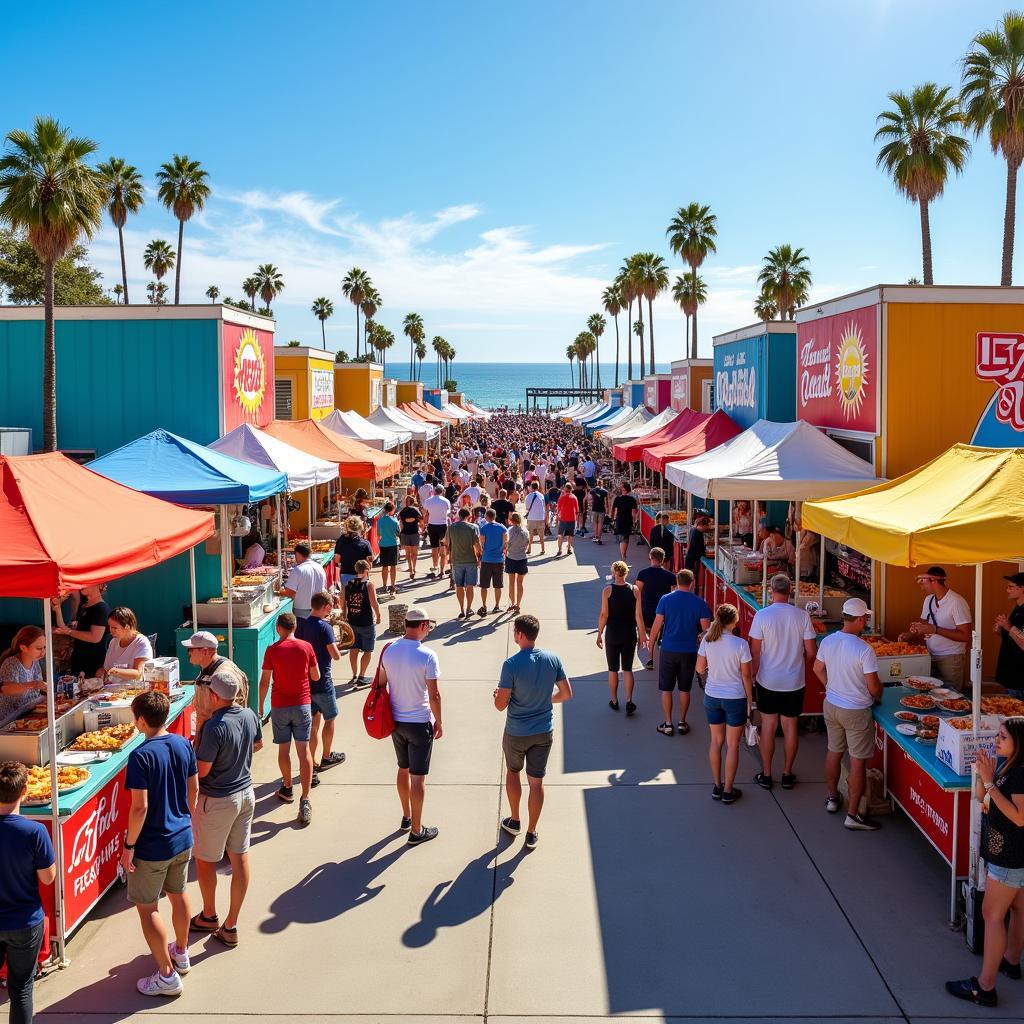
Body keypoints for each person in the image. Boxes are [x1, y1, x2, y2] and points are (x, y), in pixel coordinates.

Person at [121, 690, 198, 997]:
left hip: (152, 845)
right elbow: (193, 788)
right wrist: (184, 818)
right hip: (182, 836)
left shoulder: (140, 756)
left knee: (147, 908)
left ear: (141, 720)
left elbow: (139, 808)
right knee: (179, 894)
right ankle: (181, 951)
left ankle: (166, 975)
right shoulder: (182, 743)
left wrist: (129, 846)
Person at [946, 717, 1024, 1007]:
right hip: (1009, 856)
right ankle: (1011, 961)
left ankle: (985, 987)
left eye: (1002, 737)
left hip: (1009, 857)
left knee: (991, 915)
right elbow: (983, 798)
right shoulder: (1008, 766)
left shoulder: (1020, 774)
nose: (996, 741)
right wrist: (982, 773)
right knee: (1017, 908)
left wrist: (990, 783)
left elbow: (1019, 817)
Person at [190, 672, 262, 948]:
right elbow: (258, 743)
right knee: (240, 857)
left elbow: (203, 769)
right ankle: (231, 923)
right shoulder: (248, 715)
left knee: (205, 860)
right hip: (246, 795)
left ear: (215, 696)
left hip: (218, 801)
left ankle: (209, 915)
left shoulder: (213, 727)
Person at [494, 614, 572, 849]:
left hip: (517, 731)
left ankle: (515, 820)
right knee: (536, 783)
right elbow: (567, 693)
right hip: (543, 731)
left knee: (512, 772)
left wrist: (497, 695)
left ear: (519, 634)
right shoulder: (552, 659)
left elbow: (500, 705)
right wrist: (544, 700)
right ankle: (532, 832)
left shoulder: (511, 665)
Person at [814, 597, 883, 831]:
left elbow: (817, 669)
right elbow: (873, 688)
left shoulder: (828, 641)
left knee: (833, 752)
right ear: (861, 619)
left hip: (831, 704)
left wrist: (831, 685)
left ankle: (833, 798)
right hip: (855, 711)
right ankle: (853, 815)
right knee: (857, 763)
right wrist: (878, 693)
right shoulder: (865, 650)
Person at [379, 608, 443, 845]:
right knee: (418, 779)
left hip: (396, 722)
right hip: (419, 723)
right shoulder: (427, 655)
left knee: (402, 769)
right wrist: (439, 722)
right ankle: (417, 830)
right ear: (424, 626)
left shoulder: (389, 650)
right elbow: (434, 695)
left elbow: (382, 685)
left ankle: (406, 816)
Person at [748, 574, 817, 790]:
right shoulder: (802, 616)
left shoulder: (762, 615)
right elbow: (811, 651)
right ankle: (787, 774)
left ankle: (767, 774)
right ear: (791, 591)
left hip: (768, 680)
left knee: (768, 726)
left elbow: (755, 651)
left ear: (771, 591)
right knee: (790, 727)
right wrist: (799, 662)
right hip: (794, 682)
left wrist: (751, 674)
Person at [0, 760, 56, 1024]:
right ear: (25, 792)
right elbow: (48, 878)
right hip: (25, 923)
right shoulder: (35, 832)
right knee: (21, 988)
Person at [259, 613, 319, 826]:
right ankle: (306, 798)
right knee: (304, 752)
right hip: (302, 704)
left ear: (278, 629)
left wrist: (260, 707)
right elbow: (316, 676)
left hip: (280, 706)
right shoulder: (306, 647)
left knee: (283, 750)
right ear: (294, 627)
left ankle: (287, 786)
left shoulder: (272, 650)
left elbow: (265, 681)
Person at [696, 604, 753, 803]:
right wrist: (750, 702)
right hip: (735, 698)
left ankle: (717, 786)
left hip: (712, 696)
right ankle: (729, 790)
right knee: (732, 745)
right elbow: (746, 676)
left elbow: (700, 668)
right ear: (734, 621)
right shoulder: (741, 644)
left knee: (715, 742)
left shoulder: (707, 641)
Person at [647, 569, 711, 736]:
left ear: (677, 581)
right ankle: (682, 722)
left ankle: (667, 724)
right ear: (692, 583)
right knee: (685, 689)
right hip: (689, 651)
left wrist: (651, 644)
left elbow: (656, 624)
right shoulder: (700, 603)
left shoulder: (665, 600)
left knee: (666, 689)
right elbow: (707, 632)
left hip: (668, 649)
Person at [295, 592, 346, 772]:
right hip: (323, 681)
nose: (332, 608)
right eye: (330, 605)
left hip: (306, 682)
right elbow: (335, 655)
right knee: (330, 718)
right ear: (324, 607)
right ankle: (326, 756)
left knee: (313, 724)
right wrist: (340, 647)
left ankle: (312, 760)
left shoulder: (301, 626)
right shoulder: (325, 628)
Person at [900, 566, 972, 688]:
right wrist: (909, 635)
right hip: (929, 656)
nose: (921, 586)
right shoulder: (928, 600)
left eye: (923, 582)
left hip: (951, 658)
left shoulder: (957, 602)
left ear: (934, 580)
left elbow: (965, 636)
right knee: (930, 693)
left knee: (950, 695)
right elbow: (923, 626)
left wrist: (935, 629)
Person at [597, 561, 647, 716]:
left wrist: (599, 633)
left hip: (612, 633)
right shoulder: (635, 590)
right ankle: (629, 700)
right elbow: (638, 615)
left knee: (613, 669)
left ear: (614, 573)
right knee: (627, 669)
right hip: (629, 634)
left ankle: (614, 700)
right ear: (626, 573)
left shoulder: (607, 590)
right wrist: (643, 634)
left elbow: (604, 614)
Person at [181, 631, 249, 739]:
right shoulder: (208, 667)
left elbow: (231, 711)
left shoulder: (223, 676)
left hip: (220, 738)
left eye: (191, 649)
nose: (188, 652)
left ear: (205, 652)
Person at [54, 583, 110, 676]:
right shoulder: (84, 606)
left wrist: (69, 632)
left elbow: (95, 637)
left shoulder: (101, 608)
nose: (82, 586)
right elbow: (63, 627)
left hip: (93, 662)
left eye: (87, 582)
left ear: (99, 585)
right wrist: (58, 607)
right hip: (78, 660)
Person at [634, 547, 676, 670]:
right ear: (663, 560)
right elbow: (673, 594)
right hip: (663, 611)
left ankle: (649, 657)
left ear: (650, 558)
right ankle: (656, 652)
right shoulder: (670, 576)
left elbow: (637, 592)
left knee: (648, 633)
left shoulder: (643, 574)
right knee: (657, 634)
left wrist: (636, 609)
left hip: (646, 608)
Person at [341, 559, 380, 685]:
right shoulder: (368, 585)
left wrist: (344, 615)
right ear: (366, 570)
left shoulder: (348, 584)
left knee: (354, 649)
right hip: (366, 621)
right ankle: (362, 676)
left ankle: (354, 674)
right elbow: (374, 603)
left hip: (352, 621)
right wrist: (378, 615)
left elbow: (343, 604)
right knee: (368, 650)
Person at [100, 606, 154, 681]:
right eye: (110, 627)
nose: (111, 631)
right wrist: (101, 673)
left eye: (115, 628)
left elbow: (139, 674)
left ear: (127, 626)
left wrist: (115, 671)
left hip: (135, 690)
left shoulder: (141, 643)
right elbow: (106, 669)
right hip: (113, 690)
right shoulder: (113, 642)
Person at [447, 507, 482, 620]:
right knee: (470, 586)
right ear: (469, 516)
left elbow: (447, 543)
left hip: (456, 560)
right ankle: (468, 608)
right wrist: (479, 556)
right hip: (470, 560)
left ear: (459, 515)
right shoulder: (473, 527)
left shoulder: (452, 527)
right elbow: (477, 544)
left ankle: (461, 609)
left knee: (459, 586)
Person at [995, 572, 1024, 698]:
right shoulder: (1017, 607)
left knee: (1016, 715)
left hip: (1019, 678)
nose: (1007, 590)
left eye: (1011, 587)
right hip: (1010, 675)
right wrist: (1000, 628)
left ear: (1022, 588)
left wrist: (1009, 627)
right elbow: (1011, 638)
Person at [282, 542, 327, 620]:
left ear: (298, 554)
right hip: (318, 609)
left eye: (295, 555)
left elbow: (289, 593)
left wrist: (278, 592)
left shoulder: (298, 570)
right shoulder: (320, 567)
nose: (295, 558)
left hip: (302, 612)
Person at [478, 508, 508, 616]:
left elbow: (481, 543)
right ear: (495, 516)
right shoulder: (502, 528)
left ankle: (484, 605)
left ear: (486, 516)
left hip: (486, 559)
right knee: (498, 585)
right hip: (499, 559)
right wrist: (503, 550)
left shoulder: (484, 528)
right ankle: (496, 605)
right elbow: (506, 541)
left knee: (484, 585)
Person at [0, 626, 46, 695]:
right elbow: (6, 689)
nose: (43, 652)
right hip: (17, 706)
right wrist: (32, 684)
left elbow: (39, 686)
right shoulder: (11, 663)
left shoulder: (35, 661)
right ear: (23, 648)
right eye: (38, 648)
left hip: (35, 703)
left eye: (44, 647)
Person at [332, 518, 373, 589]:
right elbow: (370, 564)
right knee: (361, 598)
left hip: (345, 574)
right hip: (362, 575)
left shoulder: (341, 541)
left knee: (345, 597)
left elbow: (337, 560)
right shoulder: (365, 543)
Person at [422, 485, 453, 579]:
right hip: (443, 525)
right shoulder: (446, 501)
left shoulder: (428, 500)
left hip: (432, 525)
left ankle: (435, 566)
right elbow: (449, 513)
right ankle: (442, 570)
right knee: (443, 548)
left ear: (434, 491)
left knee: (434, 547)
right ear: (442, 492)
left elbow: (424, 512)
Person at [505, 512, 530, 613]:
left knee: (511, 583)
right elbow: (527, 543)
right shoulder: (525, 531)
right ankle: (518, 604)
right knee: (520, 583)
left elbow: (507, 544)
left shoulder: (509, 531)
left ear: (512, 520)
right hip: (522, 558)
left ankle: (512, 603)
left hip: (511, 557)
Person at [376, 500, 401, 597]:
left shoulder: (380, 520)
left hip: (383, 545)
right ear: (392, 510)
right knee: (393, 566)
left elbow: (379, 534)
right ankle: (393, 585)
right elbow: (398, 533)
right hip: (393, 544)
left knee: (384, 566)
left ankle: (384, 585)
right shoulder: (395, 521)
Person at [611, 482, 639, 560]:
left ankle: (623, 555)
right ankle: (623, 555)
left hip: (619, 520)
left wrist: (612, 519)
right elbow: (633, 513)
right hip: (627, 520)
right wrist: (635, 521)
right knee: (625, 538)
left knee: (621, 538)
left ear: (623, 489)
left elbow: (613, 509)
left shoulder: (618, 498)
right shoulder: (632, 500)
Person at [398, 495, 423, 580]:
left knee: (408, 554)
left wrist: (401, 532)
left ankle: (411, 569)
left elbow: (401, 522)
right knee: (414, 554)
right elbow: (421, 519)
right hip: (414, 533)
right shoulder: (416, 510)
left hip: (406, 533)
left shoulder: (402, 511)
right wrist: (420, 526)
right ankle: (413, 569)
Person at [555, 484, 579, 558]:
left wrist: (557, 517)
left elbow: (558, 509)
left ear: (565, 490)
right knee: (570, 535)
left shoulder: (561, 498)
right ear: (571, 489)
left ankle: (559, 550)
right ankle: (569, 549)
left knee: (560, 535)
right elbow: (577, 510)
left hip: (563, 519)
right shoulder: (574, 498)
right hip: (572, 519)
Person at [684, 515, 712, 579]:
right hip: (693, 560)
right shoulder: (697, 534)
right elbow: (699, 549)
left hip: (690, 558)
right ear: (703, 525)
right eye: (707, 526)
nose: (707, 528)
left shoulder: (694, 530)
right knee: (692, 578)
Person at [524, 482, 547, 555]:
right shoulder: (541, 496)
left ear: (531, 487)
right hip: (540, 517)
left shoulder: (528, 496)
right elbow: (544, 506)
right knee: (541, 534)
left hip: (532, 517)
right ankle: (543, 549)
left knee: (531, 534)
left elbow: (527, 508)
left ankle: (529, 548)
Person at [589, 477, 609, 544]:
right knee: (600, 524)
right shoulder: (605, 492)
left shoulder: (592, 491)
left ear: (596, 483)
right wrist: (607, 509)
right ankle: (599, 539)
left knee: (595, 524)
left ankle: (596, 536)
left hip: (594, 508)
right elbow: (606, 502)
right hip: (602, 509)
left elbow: (590, 499)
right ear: (602, 484)